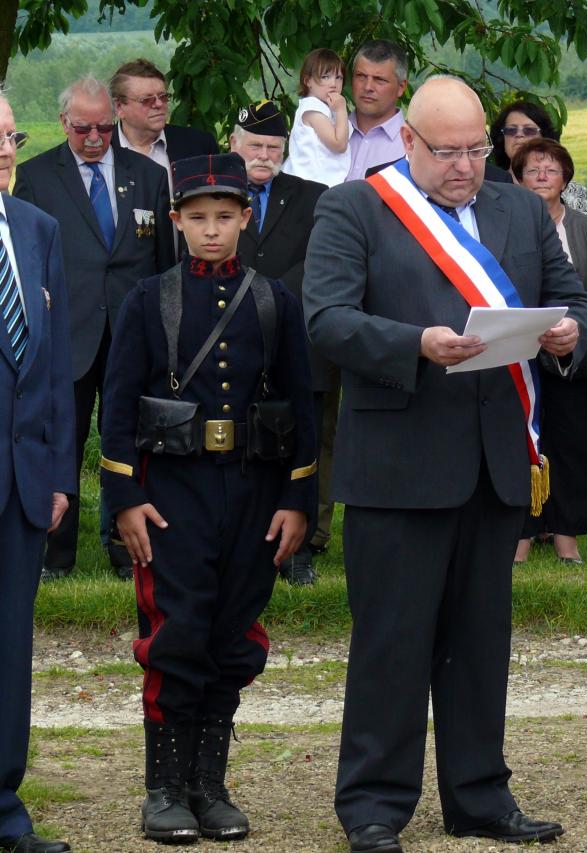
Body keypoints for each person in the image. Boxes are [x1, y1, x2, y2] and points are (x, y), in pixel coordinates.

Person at [305, 75, 587, 851]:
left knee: (479, 645)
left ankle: (479, 795)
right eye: (448, 151)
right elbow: (327, 319)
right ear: (407, 141)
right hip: (398, 467)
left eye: (476, 148)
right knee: (392, 643)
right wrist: (415, 345)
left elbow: (580, 299)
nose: (466, 165)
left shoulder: (519, 209)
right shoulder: (355, 207)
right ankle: (372, 803)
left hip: (496, 463)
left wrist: (569, 333)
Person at [98, 153, 317, 844]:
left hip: (252, 491)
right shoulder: (148, 299)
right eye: (198, 218)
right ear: (177, 221)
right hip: (173, 495)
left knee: (233, 635)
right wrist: (125, 497)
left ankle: (209, 785)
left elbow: (303, 405)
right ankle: (163, 788)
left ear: (246, 218)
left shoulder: (274, 301)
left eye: (225, 216)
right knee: (176, 631)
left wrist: (296, 499)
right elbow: (118, 404)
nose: (213, 230)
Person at [12, 76, 175, 582]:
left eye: (105, 127)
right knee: (62, 436)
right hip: (66, 330)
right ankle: (56, 552)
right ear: (63, 123)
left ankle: (127, 546)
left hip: (132, 332)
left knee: (126, 439)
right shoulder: (37, 176)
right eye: (83, 127)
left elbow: (164, 261)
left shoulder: (146, 174)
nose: (94, 138)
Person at [0, 93, 76, 853]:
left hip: (22, 484)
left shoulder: (37, 228)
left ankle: (4, 809)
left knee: (10, 654)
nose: (5, 150)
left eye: (10, 137)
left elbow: (52, 368)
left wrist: (58, 474)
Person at [229, 100, 330, 585]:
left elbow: (319, 264)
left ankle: (299, 551)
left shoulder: (315, 197)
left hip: (296, 340)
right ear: (234, 145)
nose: (264, 156)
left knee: (298, 446)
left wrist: (265, 298)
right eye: (255, 146)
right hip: (227, 339)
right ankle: (241, 544)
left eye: (273, 148)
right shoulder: (216, 194)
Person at [511, 139, 587, 565]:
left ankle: (566, 535)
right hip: (517, 355)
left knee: (573, 443)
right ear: (516, 177)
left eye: (550, 170)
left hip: (574, 359)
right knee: (520, 444)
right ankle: (521, 533)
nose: (541, 177)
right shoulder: (506, 225)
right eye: (532, 169)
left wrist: (579, 332)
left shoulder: (583, 229)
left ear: (565, 178)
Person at [108, 58, 218, 185]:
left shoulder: (199, 146)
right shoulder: (102, 150)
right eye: (147, 100)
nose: (159, 104)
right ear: (119, 107)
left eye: (163, 97)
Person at [488, 101, 587, 215]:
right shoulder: (487, 188)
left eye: (529, 130)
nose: (519, 135)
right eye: (511, 130)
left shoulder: (574, 193)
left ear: (544, 136)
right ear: (501, 138)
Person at [283, 48, 351, 187]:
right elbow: (339, 144)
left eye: (338, 77)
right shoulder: (313, 108)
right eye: (325, 77)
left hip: (316, 184)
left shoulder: (325, 108)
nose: (333, 84)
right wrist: (341, 110)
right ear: (308, 81)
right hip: (310, 185)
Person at [344, 39, 408, 182]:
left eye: (379, 80)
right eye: (361, 76)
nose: (368, 87)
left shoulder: (412, 146)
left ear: (401, 87)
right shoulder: (325, 132)